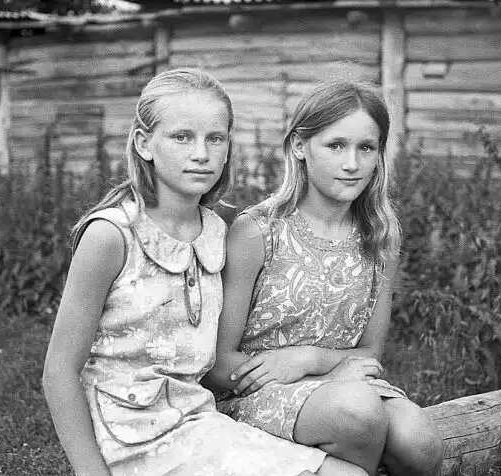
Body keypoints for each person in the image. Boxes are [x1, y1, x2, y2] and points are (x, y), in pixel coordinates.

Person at [42, 68, 367, 476]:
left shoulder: (215, 231)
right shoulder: (112, 235)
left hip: (197, 421)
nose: (201, 153)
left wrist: (323, 367)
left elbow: (221, 358)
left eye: (215, 138)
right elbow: (59, 372)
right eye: (182, 137)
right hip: (126, 437)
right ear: (144, 143)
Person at [207, 81, 445, 476]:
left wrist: (313, 360)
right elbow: (217, 363)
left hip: (346, 380)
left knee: (420, 443)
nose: (352, 163)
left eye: (366, 148)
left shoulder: (380, 236)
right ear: (300, 146)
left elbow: (370, 354)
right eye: (335, 145)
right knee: (359, 414)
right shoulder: (258, 231)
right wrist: (321, 377)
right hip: (256, 392)